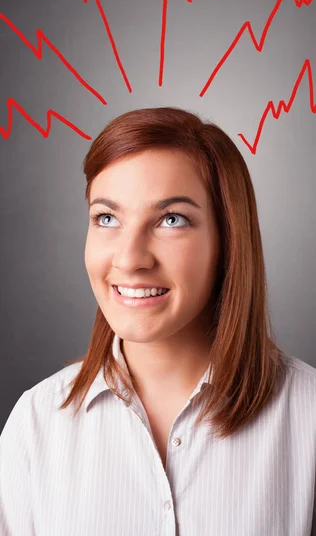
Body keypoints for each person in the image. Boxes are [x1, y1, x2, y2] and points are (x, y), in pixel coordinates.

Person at [0, 106, 315, 535]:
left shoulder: (308, 418)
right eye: (106, 217)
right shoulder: (34, 426)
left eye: (171, 220)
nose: (130, 259)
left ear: (228, 241)